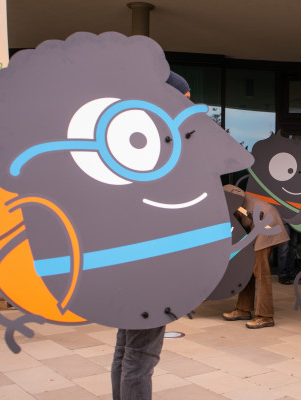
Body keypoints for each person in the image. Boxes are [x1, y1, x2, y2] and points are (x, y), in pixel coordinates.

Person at [111, 71, 191, 400]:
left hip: (130, 260)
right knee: (141, 355)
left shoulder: (133, 142)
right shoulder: (162, 146)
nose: (189, 104)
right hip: (150, 265)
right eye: (184, 98)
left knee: (127, 349)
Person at [222, 185, 289, 329]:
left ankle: (266, 316)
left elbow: (238, 194)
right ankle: (243, 309)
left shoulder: (224, 190)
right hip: (255, 225)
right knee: (247, 267)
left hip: (266, 223)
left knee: (261, 270)